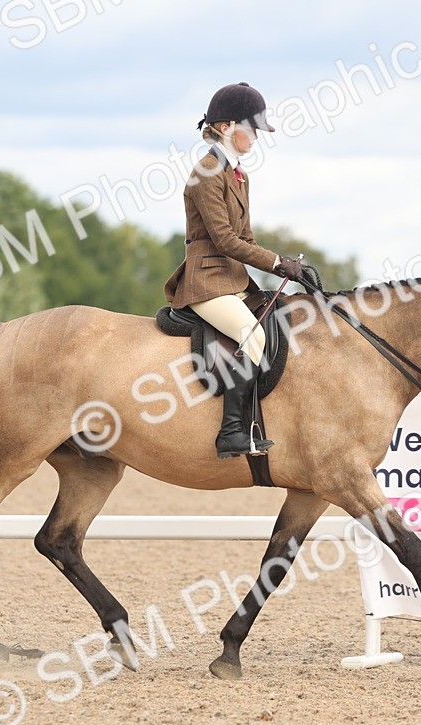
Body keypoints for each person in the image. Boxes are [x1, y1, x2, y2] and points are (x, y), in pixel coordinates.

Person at [163, 82, 306, 459]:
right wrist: (277, 263)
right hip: (207, 282)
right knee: (250, 336)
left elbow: (247, 237)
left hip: (234, 280)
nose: (257, 137)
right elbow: (226, 240)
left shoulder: (238, 175)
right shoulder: (206, 173)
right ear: (227, 127)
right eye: (252, 128)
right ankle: (231, 433)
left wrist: (285, 268)